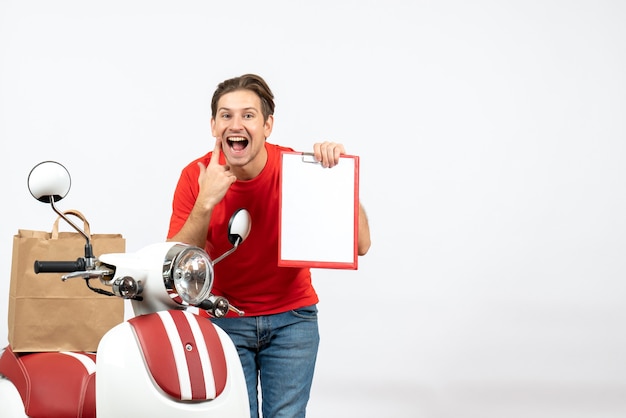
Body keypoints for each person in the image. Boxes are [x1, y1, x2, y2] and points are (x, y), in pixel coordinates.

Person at [166, 73, 371, 418]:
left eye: (248, 115)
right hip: (223, 319)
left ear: (267, 125)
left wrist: (337, 178)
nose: (237, 124)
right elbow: (174, 265)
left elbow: (361, 244)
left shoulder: (296, 169)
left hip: (292, 319)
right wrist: (206, 201)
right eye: (226, 115)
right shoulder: (195, 175)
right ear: (214, 125)